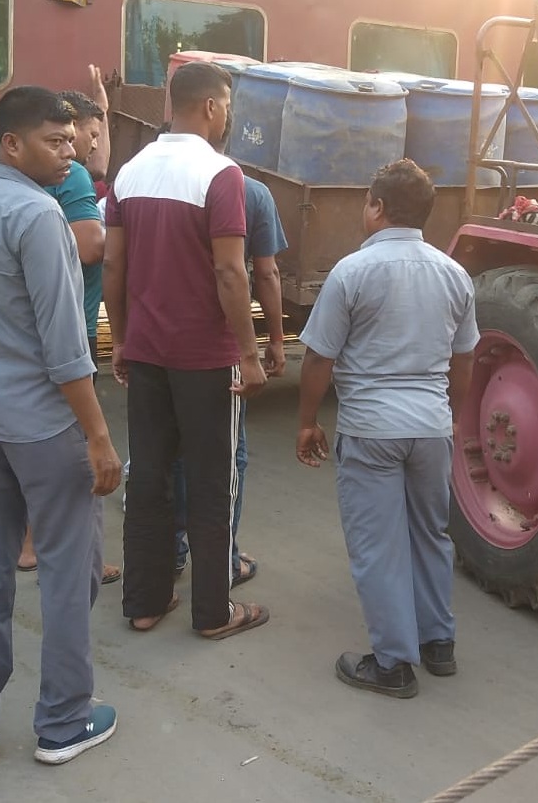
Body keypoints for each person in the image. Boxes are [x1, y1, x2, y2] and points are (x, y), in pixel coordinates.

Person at [0, 86, 122, 768]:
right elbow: (67, 347)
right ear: (11, 143)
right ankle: (65, 722)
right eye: (54, 141)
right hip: (44, 425)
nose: (70, 152)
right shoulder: (38, 216)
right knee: (70, 572)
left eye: (73, 140)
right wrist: (97, 434)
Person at [295, 158, 478, 699]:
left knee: (378, 546)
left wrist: (307, 422)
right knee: (430, 533)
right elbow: (465, 359)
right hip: (430, 427)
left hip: (372, 428)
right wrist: (450, 416)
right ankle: (437, 644)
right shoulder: (454, 274)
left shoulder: (352, 272)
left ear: (376, 207)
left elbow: (317, 360)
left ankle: (393, 664)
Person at [104, 61, 269, 638]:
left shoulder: (129, 171)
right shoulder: (221, 174)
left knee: (148, 476)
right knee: (210, 480)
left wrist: (121, 338)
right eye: (225, 105)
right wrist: (249, 355)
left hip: (146, 353)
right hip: (204, 359)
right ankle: (213, 611)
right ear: (211, 107)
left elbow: (114, 264)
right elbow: (230, 270)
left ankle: (144, 603)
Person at [17, 76, 122, 585]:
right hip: (68, 336)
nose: (96, 143)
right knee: (77, 453)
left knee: (33, 446)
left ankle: (28, 543)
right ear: (69, 130)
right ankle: (75, 556)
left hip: (24, 339)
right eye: (93, 132)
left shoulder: (5, 181)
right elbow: (90, 248)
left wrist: (102, 106)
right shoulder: (74, 176)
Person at [172, 167, 287, 584]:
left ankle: (173, 554)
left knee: (173, 452)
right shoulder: (252, 192)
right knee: (226, 455)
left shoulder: (152, 182)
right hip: (220, 344)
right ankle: (222, 561)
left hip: (162, 342)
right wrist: (272, 341)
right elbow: (265, 272)